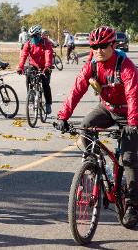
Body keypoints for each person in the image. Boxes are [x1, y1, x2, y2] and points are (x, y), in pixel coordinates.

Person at [56, 26, 138, 228]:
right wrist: (63, 116)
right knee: (85, 127)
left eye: (102, 46)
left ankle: (132, 206)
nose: (98, 50)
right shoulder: (92, 65)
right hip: (108, 108)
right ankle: (93, 166)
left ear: (113, 45)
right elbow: (77, 89)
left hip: (130, 113)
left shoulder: (125, 66)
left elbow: (133, 94)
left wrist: (133, 123)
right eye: (94, 46)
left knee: (128, 159)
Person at [17, 24, 54, 114]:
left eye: (35, 36)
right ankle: (30, 95)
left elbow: (48, 54)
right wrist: (20, 67)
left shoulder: (45, 43)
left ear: (39, 35)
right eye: (32, 36)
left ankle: (48, 104)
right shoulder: (28, 43)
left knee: (45, 85)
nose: (33, 38)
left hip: (44, 66)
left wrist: (48, 66)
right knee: (28, 77)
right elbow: (24, 55)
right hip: (33, 65)